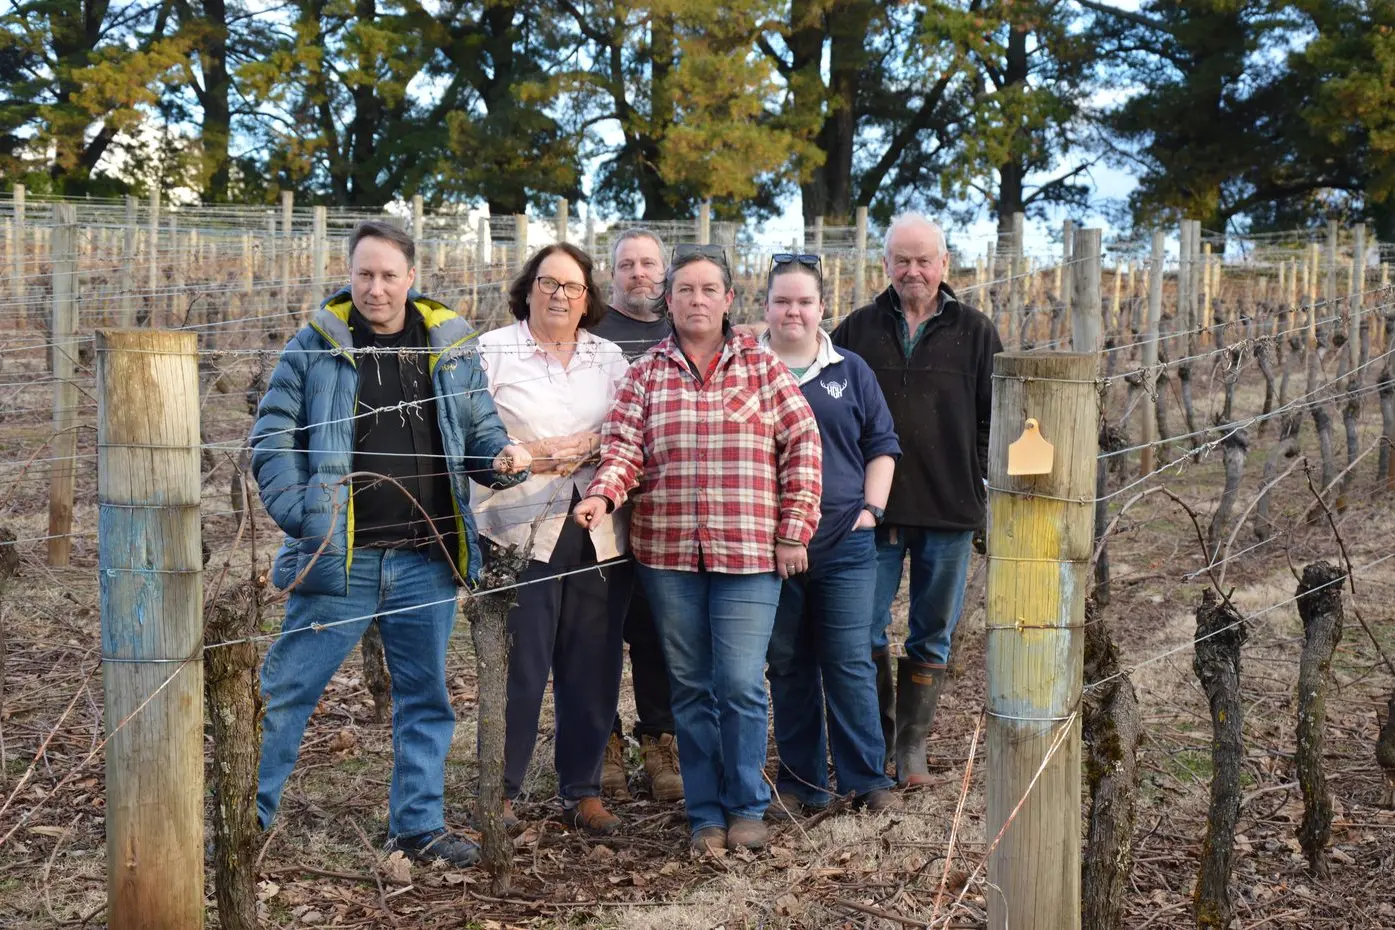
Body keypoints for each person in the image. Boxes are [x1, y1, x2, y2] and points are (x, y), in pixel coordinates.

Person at [251, 220, 532, 867]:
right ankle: (245, 820)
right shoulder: (316, 344)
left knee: (425, 699)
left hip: (425, 560)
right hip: (340, 560)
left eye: (387, 275)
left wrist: (501, 459)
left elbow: (480, 429)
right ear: (349, 277)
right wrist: (303, 516)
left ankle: (417, 828)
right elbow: (271, 436)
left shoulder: (449, 341)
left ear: (410, 277)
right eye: (364, 274)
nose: (375, 288)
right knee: (287, 690)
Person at [572, 245, 823, 854]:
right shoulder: (647, 373)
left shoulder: (762, 368)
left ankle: (746, 806)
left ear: (729, 300)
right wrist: (603, 497)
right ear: (669, 299)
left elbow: (804, 445)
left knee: (738, 683)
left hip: (749, 554)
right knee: (689, 685)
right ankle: (705, 813)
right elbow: (624, 448)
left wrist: (795, 529)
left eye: (709, 289)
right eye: (685, 290)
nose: (696, 300)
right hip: (669, 555)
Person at [830, 215, 1002, 787]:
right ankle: (873, 743)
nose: (913, 271)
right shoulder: (855, 330)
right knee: (863, 631)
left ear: (944, 264)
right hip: (870, 514)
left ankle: (912, 750)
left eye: (923, 260)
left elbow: (992, 418)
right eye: (901, 260)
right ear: (885, 265)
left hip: (949, 510)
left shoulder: (976, 332)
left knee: (933, 631)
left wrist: (974, 474)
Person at [473, 243, 632, 834]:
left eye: (572, 286)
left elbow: (624, 432)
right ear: (528, 287)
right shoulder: (492, 351)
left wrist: (581, 448)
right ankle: (504, 791)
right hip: (517, 530)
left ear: (588, 296)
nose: (559, 295)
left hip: (596, 529)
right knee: (521, 662)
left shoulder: (609, 357)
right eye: (548, 283)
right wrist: (543, 454)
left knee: (591, 662)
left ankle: (583, 790)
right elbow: (479, 438)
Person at [760, 254, 902, 817]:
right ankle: (801, 782)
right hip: (768, 548)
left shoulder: (850, 369)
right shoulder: (749, 370)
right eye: (782, 301)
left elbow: (882, 445)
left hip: (844, 542)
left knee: (848, 660)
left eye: (804, 301)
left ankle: (866, 776)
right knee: (789, 663)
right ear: (765, 308)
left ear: (822, 308)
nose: (793, 311)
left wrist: (870, 509)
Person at [587, 228, 682, 803]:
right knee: (596, 631)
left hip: (664, 508)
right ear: (612, 273)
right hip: (601, 505)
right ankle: (604, 739)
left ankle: (660, 739)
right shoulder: (592, 333)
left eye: (649, 263)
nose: (640, 273)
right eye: (628, 265)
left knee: (656, 632)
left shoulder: (685, 331)